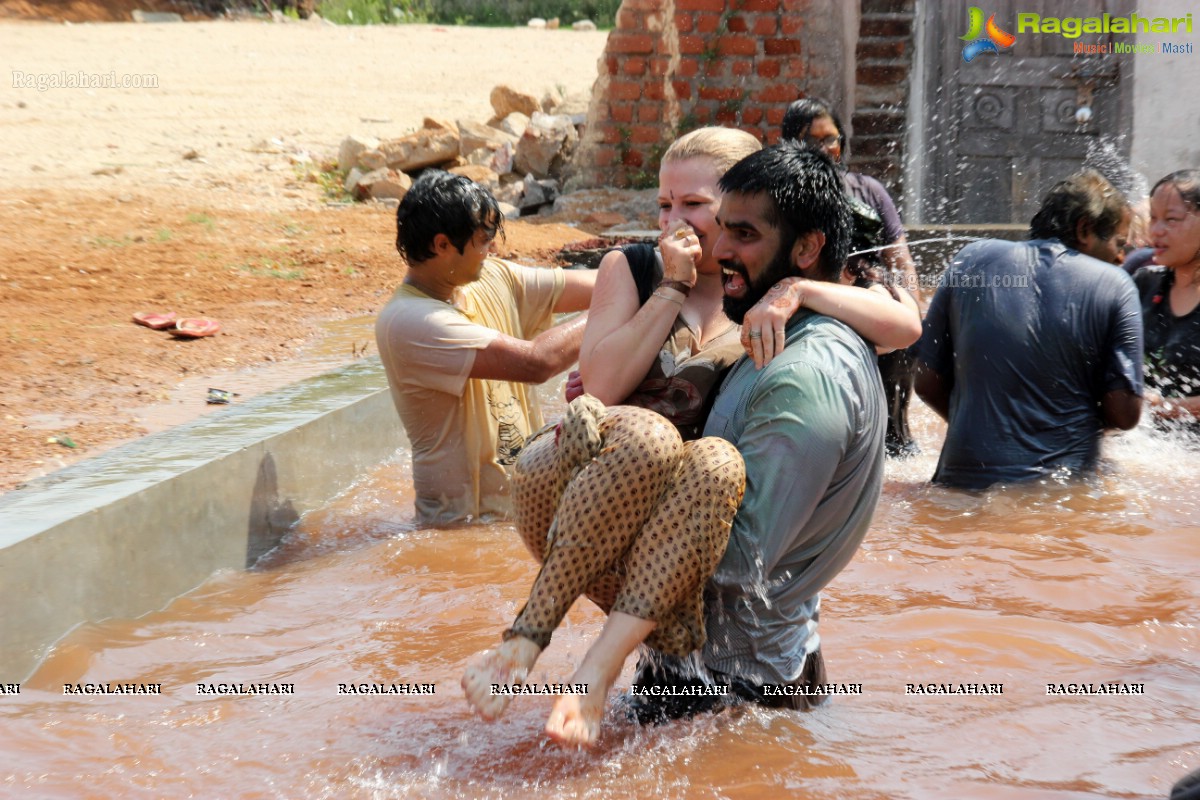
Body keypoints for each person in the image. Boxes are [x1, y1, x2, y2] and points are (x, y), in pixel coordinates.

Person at [460, 131, 916, 747]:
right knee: (656, 443)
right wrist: (671, 287)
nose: (683, 224)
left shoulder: (784, 324)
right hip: (624, 517)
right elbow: (600, 383)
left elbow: (906, 322)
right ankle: (535, 640)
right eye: (664, 205)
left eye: (697, 207)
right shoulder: (643, 269)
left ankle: (593, 661)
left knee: (715, 465)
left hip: (707, 604)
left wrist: (798, 290)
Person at [374, 171, 595, 525]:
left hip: (527, 512)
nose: (492, 248)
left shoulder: (490, 277)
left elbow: (601, 284)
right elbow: (537, 363)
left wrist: (652, 267)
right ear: (442, 245)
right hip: (461, 530)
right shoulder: (409, 320)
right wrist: (610, 311)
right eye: (483, 238)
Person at [914, 169, 1144, 490]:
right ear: (1084, 229)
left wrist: (990, 428)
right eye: (1120, 243)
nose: (1122, 257)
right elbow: (1124, 413)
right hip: (1057, 498)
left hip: (960, 488)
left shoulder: (971, 259)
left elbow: (925, 381)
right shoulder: (1115, 285)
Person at [781, 97, 923, 457]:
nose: (825, 149)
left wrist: (912, 308)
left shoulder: (868, 190)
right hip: (813, 307)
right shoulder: (784, 194)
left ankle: (895, 445)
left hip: (867, 298)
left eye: (831, 139)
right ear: (790, 144)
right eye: (812, 141)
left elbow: (900, 259)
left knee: (894, 430)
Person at [1135, 169, 1200, 424]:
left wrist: (1164, 407)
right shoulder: (1143, 283)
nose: (1157, 231)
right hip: (1141, 447)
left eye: (1171, 220)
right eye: (1153, 218)